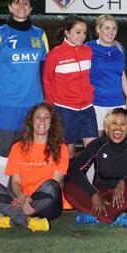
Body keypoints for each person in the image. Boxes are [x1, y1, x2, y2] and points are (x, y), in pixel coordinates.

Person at [0, 0, 49, 187]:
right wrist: (6, 91)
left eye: (25, 3)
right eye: (17, 2)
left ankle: (26, 193)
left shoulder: (40, 34)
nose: (21, 6)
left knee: (28, 148)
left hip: (33, 102)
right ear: (9, 7)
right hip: (7, 101)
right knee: (6, 148)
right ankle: (0, 195)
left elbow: (44, 69)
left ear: (31, 8)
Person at [0, 103, 69, 232]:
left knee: (51, 186)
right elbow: (15, 182)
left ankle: (11, 218)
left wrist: (29, 200)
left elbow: (56, 183)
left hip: (47, 203)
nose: (42, 121)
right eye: (38, 117)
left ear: (52, 123)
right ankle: (28, 221)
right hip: (22, 199)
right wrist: (22, 198)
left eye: (46, 117)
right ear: (31, 121)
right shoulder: (18, 147)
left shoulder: (61, 148)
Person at [65, 108, 127, 227]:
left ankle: (97, 215)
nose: (118, 127)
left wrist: (124, 182)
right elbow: (74, 170)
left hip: (126, 196)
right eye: (114, 123)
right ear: (107, 127)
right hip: (101, 196)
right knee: (69, 187)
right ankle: (118, 216)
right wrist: (93, 194)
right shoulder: (98, 144)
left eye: (123, 124)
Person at [43, 15, 97, 159]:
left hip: (87, 108)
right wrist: (51, 108)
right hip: (65, 109)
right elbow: (47, 82)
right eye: (78, 32)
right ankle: (65, 182)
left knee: (93, 150)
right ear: (67, 32)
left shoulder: (88, 51)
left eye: (84, 33)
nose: (82, 36)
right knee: (68, 152)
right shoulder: (55, 54)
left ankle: (89, 181)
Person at [86, 14, 127, 137]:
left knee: (117, 141)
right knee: (96, 144)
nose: (111, 32)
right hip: (96, 103)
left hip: (117, 102)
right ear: (98, 29)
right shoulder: (88, 48)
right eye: (107, 28)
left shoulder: (120, 48)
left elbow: (121, 74)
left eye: (114, 28)